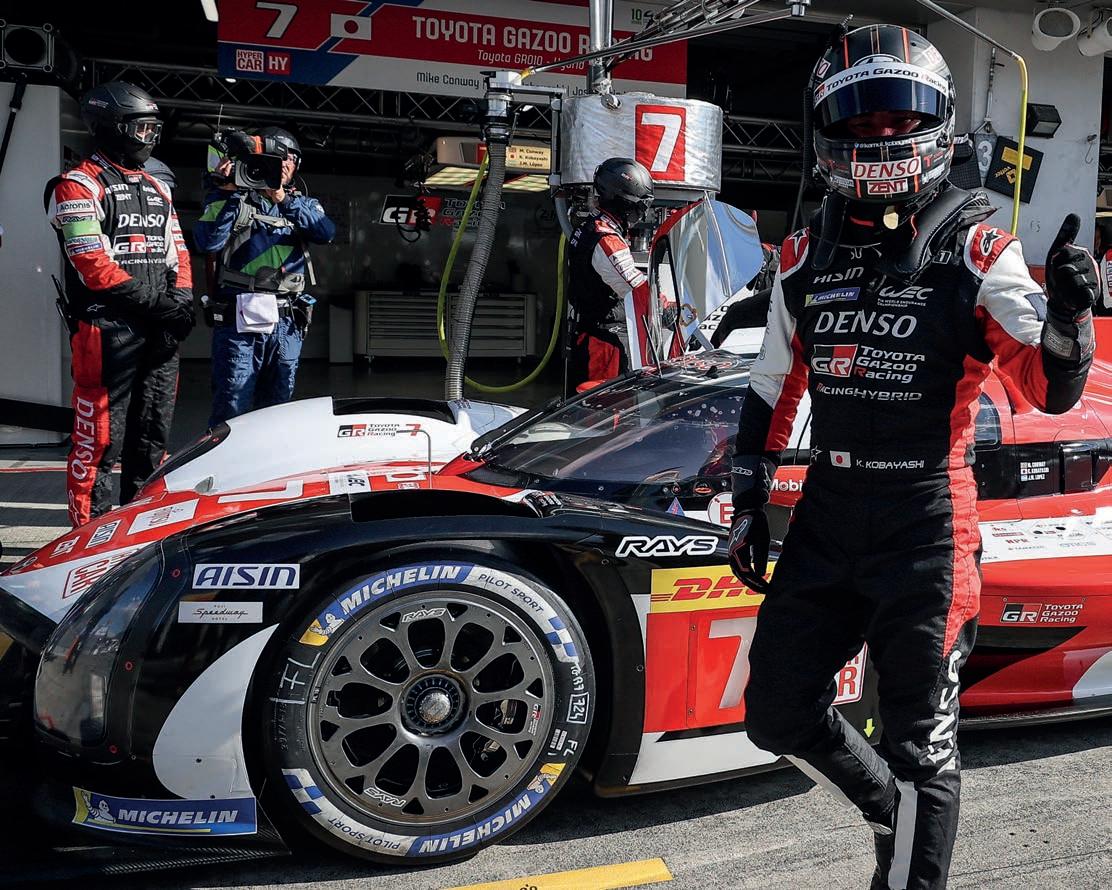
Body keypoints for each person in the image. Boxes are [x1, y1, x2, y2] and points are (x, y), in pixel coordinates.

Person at [727, 25, 1096, 890]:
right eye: (861, 124)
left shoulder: (979, 249)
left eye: (899, 120)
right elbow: (772, 385)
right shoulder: (802, 257)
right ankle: (888, 809)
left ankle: (907, 849)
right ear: (828, 137)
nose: (882, 137)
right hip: (827, 514)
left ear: (939, 126)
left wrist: (1071, 320)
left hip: (928, 522)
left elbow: (1048, 389)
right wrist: (748, 498)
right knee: (774, 714)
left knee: (921, 749)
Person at [47, 81, 195, 527]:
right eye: (142, 128)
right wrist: (162, 306)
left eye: (154, 129)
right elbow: (92, 265)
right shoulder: (76, 185)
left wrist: (181, 303)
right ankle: (85, 540)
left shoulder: (158, 186)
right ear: (110, 126)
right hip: (105, 330)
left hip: (158, 329)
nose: (150, 137)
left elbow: (178, 253)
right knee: (99, 441)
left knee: (152, 436)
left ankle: (141, 531)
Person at [194, 126, 335, 427]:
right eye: (275, 157)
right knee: (232, 405)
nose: (282, 163)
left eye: (290, 158)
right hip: (239, 323)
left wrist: (282, 198)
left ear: (297, 165)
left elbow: (325, 232)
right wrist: (228, 191)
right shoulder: (230, 197)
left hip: (287, 321)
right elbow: (207, 242)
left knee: (277, 409)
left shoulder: (304, 204)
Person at [567, 157, 655, 388]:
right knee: (608, 405)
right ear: (624, 202)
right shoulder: (606, 239)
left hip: (591, 334)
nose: (642, 214)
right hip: (604, 343)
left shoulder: (589, 227)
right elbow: (636, 289)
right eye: (640, 206)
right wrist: (668, 307)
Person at [1094, 217, 1112, 315]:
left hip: (1107, 309)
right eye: (1094, 238)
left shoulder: (1109, 254)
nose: (1096, 242)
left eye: (1098, 238)